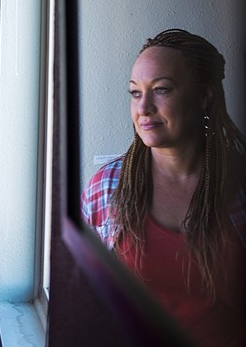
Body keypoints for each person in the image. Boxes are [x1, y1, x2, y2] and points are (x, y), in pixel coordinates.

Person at [81, 29, 246, 346]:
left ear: (204, 95)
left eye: (161, 90)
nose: (143, 108)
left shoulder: (239, 187)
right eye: (135, 92)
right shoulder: (106, 188)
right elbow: (82, 294)